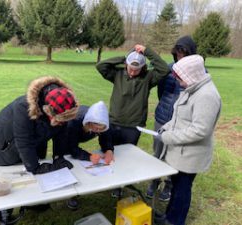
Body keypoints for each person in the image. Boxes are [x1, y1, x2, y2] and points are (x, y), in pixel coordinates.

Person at [0, 76, 79, 224]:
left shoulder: (63, 106)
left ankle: (33, 202)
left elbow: (61, 135)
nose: (58, 123)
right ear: (46, 109)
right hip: (1, 145)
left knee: (32, 172)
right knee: (8, 176)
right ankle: (5, 211)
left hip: (34, 140)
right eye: (57, 119)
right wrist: (35, 167)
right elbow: (23, 142)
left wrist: (59, 158)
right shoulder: (23, 106)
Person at [154, 55, 221, 225]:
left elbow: (200, 130)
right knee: (176, 187)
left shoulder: (206, 96)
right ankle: (168, 217)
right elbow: (179, 117)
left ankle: (175, 222)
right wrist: (166, 127)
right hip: (180, 153)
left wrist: (169, 137)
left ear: (191, 74)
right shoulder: (192, 88)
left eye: (179, 76)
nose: (176, 80)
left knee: (181, 191)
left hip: (190, 156)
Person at [96, 44, 169, 197]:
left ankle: (120, 184)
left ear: (143, 68)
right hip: (114, 122)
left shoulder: (148, 78)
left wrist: (147, 51)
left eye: (137, 69)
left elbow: (164, 69)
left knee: (127, 157)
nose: (133, 71)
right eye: (130, 67)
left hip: (133, 125)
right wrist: (125, 58)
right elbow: (101, 66)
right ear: (126, 65)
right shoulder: (117, 74)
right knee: (111, 153)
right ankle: (111, 181)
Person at [146, 36, 198, 202]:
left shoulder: (197, 73)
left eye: (184, 53)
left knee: (174, 155)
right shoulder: (168, 69)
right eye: (178, 53)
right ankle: (154, 180)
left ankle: (168, 184)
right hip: (162, 118)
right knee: (158, 151)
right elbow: (161, 92)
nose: (181, 56)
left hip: (182, 123)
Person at [65, 101, 114, 209]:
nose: (98, 132)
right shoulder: (74, 122)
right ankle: (71, 194)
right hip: (64, 134)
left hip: (81, 131)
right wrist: (89, 156)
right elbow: (71, 148)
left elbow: (106, 137)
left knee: (81, 163)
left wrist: (109, 150)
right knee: (69, 164)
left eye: (101, 129)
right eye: (96, 129)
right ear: (89, 122)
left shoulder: (102, 122)